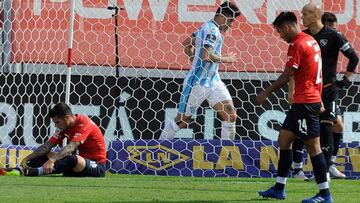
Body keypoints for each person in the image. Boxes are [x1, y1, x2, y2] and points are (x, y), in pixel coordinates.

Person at [257, 11, 333, 202]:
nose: (280, 36)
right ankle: (279, 188)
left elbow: (287, 74)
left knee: (313, 147)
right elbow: (317, 72)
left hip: (305, 102)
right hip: (307, 99)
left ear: (287, 27)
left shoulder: (297, 44)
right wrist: (319, 97)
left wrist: (266, 92)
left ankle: (325, 194)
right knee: (284, 139)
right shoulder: (311, 41)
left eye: (280, 32)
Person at [291, 4, 358, 180]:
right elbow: (294, 67)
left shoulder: (333, 35)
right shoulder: (303, 37)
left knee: (327, 126)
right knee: (302, 128)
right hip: (308, 89)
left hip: (328, 89)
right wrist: (292, 90)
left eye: (305, 13)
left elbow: (354, 57)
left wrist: (343, 82)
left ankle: (326, 170)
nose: (302, 16)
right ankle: (298, 170)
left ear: (315, 15)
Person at [159, 1, 240, 140]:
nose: (231, 25)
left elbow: (186, 45)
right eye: (231, 21)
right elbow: (206, 55)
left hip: (214, 81)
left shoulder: (206, 26)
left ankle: (226, 156)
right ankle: (155, 151)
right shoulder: (212, 30)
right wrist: (227, 59)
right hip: (197, 83)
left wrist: (193, 58)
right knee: (182, 121)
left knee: (230, 115)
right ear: (222, 16)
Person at [19, 102, 107, 177]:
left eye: (57, 122)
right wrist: (27, 158)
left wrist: (52, 160)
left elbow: (71, 148)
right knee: (46, 153)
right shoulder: (64, 127)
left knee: (73, 159)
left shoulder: (84, 123)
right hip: (77, 168)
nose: (56, 126)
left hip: (96, 166)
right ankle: (21, 169)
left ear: (67, 117)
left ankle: (36, 171)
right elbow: (47, 146)